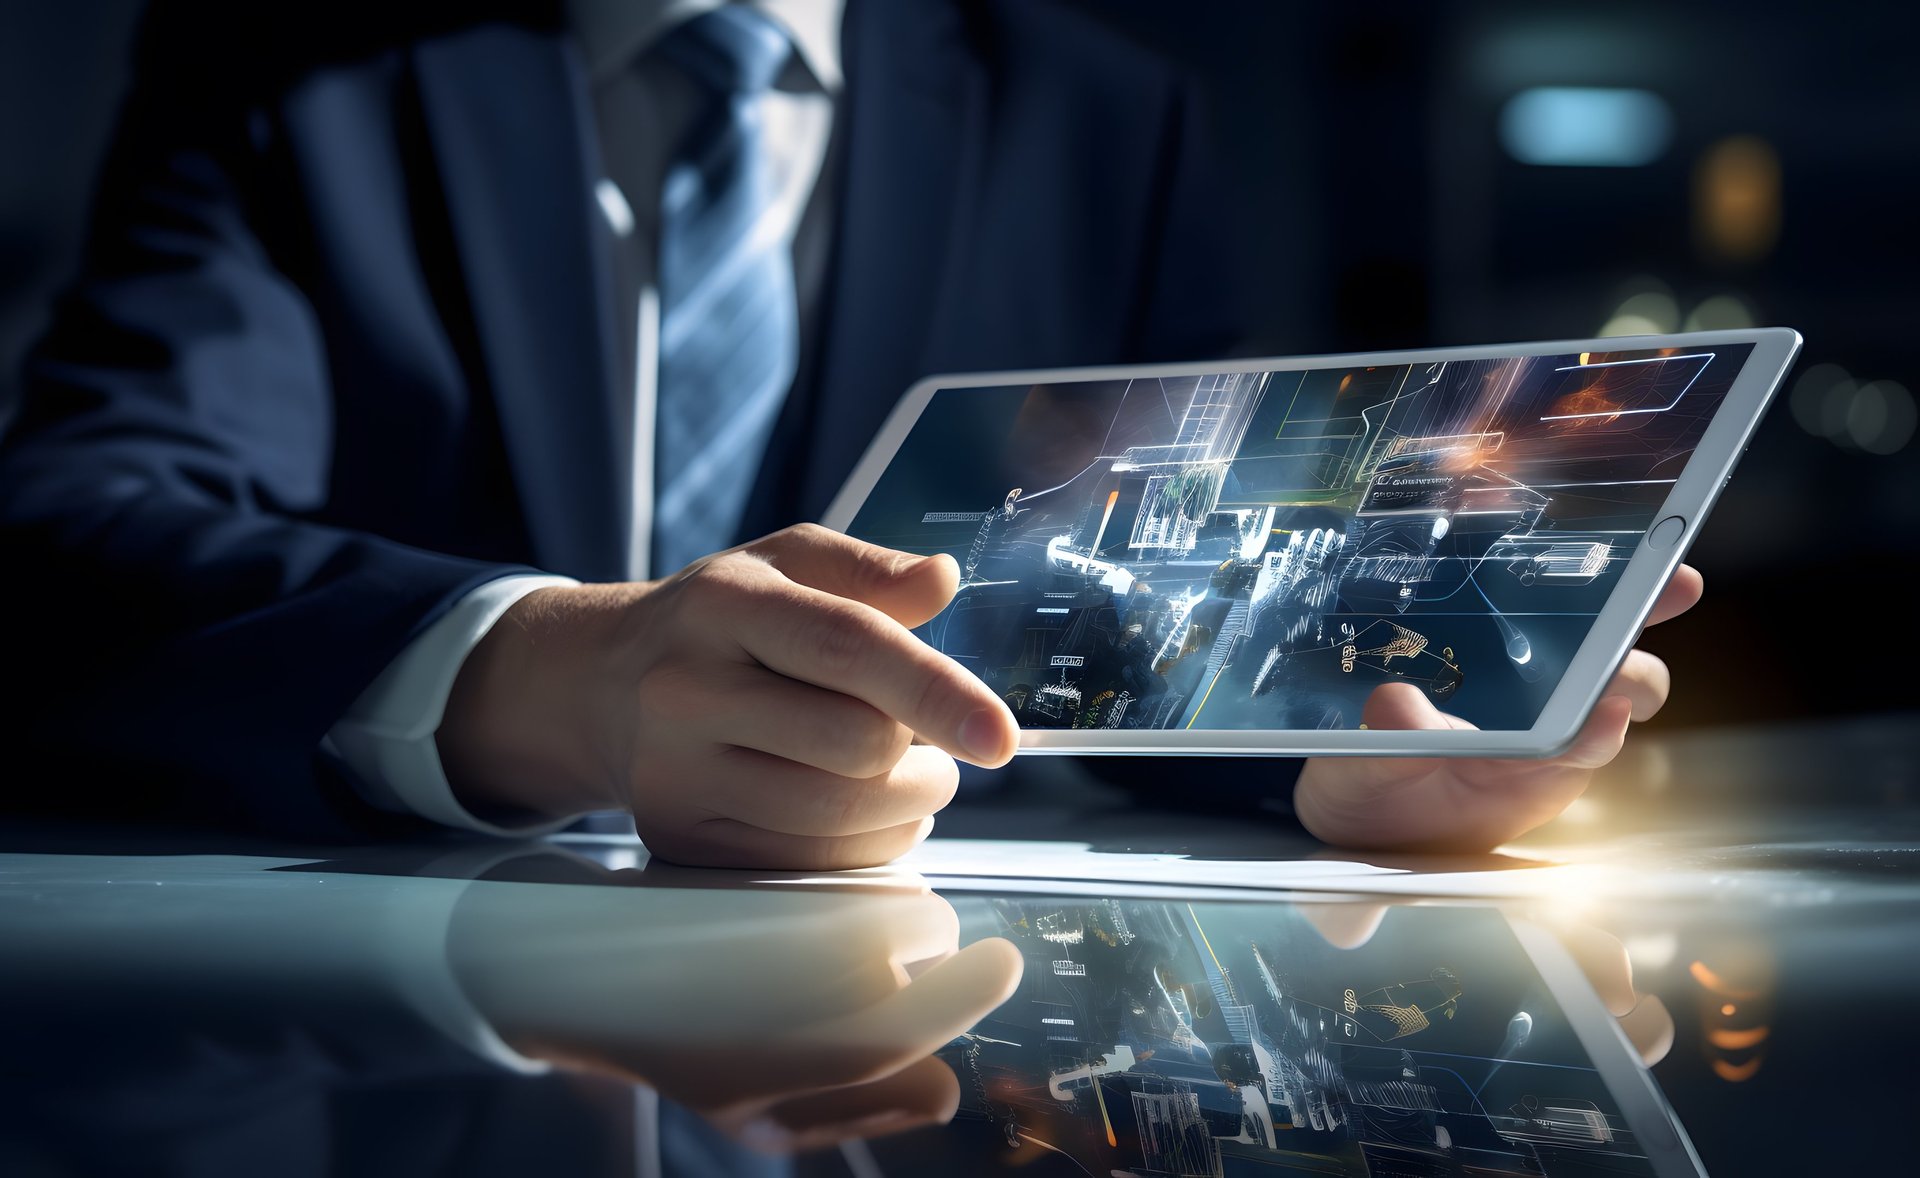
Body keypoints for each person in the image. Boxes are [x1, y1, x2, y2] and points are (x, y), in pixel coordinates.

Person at [0, 0, 1698, 867]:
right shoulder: (292, 59)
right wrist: (547, 679)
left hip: (928, 1009)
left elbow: (1154, 592)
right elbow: (75, 521)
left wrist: (1326, 756)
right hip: (400, 1019)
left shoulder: (1101, 118)